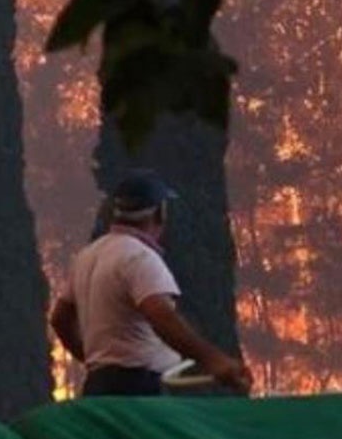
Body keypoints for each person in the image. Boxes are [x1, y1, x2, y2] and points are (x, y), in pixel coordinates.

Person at [50, 169, 253, 397]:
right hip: (139, 388)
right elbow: (161, 316)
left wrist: (95, 362)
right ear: (159, 213)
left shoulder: (87, 256)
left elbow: (60, 319)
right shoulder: (140, 258)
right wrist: (213, 360)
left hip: (99, 388)